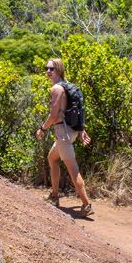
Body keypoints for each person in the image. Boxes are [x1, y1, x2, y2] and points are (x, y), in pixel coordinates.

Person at [35, 57, 93, 217]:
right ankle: (54, 195)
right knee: (52, 158)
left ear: (59, 70)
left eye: (51, 69)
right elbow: (79, 109)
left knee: (73, 169)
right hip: (71, 131)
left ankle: (86, 204)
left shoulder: (56, 90)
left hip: (63, 133)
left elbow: (53, 115)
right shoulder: (68, 87)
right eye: (46, 68)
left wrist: (42, 129)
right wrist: (81, 130)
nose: (48, 71)